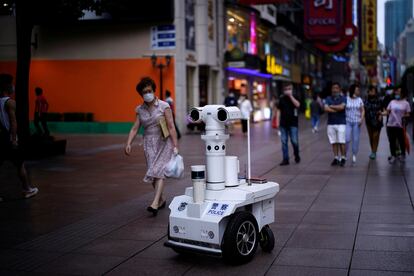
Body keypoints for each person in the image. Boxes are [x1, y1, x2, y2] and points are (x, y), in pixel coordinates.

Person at [125, 77, 179, 216]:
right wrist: (128, 143)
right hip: (148, 143)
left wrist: (175, 145)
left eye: (149, 90)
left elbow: (171, 126)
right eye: (144, 92)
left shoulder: (163, 106)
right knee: (152, 172)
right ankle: (161, 199)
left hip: (163, 142)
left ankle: (155, 203)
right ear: (141, 94)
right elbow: (135, 128)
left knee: (159, 171)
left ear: (154, 90)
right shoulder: (140, 109)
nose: (147, 93)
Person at [0, 74, 39, 199]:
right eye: (12, 84)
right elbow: (13, 122)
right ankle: (27, 189)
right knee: (20, 164)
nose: (13, 86)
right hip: (8, 138)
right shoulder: (10, 102)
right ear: (7, 87)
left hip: (0, 138)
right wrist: (13, 139)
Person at [383, 87, 411, 164]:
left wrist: (404, 116)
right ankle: (393, 156)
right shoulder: (392, 102)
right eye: (396, 91)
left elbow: (408, 114)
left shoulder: (406, 103)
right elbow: (387, 112)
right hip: (390, 125)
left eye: (399, 91)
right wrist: (381, 114)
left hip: (400, 125)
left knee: (401, 141)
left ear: (402, 93)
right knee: (392, 141)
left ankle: (403, 155)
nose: (397, 93)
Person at [277, 83, 301, 166]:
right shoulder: (281, 98)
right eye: (286, 89)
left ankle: (296, 155)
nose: (287, 90)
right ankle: (285, 159)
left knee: (294, 141)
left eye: (289, 89)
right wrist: (277, 122)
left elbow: (298, 105)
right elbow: (279, 110)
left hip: (293, 123)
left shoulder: (295, 96)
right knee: (284, 142)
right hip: (283, 123)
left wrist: (291, 96)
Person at [324, 82, 347, 166]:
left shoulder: (343, 98)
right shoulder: (328, 98)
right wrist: (337, 109)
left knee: (341, 141)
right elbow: (326, 108)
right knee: (333, 142)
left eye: (336, 88)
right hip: (331, 123)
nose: (335, 90)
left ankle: (343, 158)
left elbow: (342, 107)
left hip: (341, 123)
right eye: (333, 88)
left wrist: (331, 106)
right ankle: (336, 158)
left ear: (340, 89)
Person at [345, 84, 365, 164]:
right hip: (347, 121)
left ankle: (354, 154)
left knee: (356, 139)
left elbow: (363, 110)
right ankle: (344, 154)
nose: (358, 91)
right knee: (346, 138)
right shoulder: (346, 99)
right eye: (357, 90)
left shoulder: (359, 100)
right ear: (353, 90)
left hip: (357, 122)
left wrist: (361, 119)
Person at [364, 85, 383, 160]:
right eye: (370, 91)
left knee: (376, 136)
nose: (371, 92)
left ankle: (374, 152)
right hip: (368, 121)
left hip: (377, 120)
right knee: (371, 137)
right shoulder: (365, 101)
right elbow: (363, 110)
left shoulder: (379, 100)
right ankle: (373, 150)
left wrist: (381, 114)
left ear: (376, 92)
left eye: (373, 91)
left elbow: (383, 109)